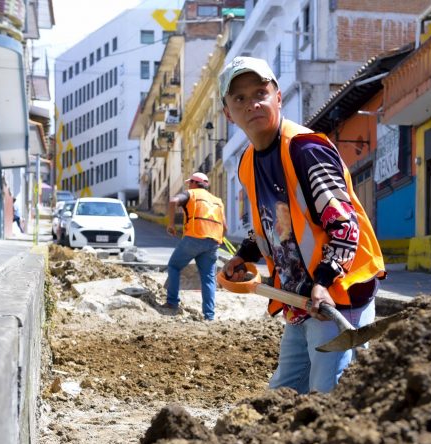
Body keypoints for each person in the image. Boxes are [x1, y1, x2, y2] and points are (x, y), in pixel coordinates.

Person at [219, 56, 385, 394]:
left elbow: (343, 224)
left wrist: (324, 280)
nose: (252, 104)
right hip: (299, 298)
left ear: (278, 97)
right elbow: (274, 224)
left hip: (337, 296)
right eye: (239, 98)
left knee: (330, 394)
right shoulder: (249, 162)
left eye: (260, 93)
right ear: (227, 113)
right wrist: (245, 254)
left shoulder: (305, 150)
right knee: (283, 394)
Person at [163, 171, 226, 321]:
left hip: (194, 237)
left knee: (174, 266)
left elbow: (172, 201)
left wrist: (171, 224)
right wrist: (219, 239)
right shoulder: (217, 200)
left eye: (189, 183)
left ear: (193, 183)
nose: (188, 185)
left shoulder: (191, 194)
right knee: (209, 278)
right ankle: (209, 316)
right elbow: (225, 226)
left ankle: (172, 303)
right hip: (213, 242)